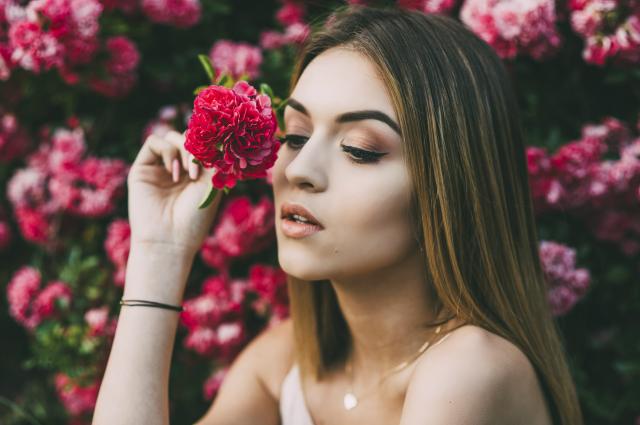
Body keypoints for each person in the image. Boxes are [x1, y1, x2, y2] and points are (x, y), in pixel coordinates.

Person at [92, 4, 584, 425]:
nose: (299, 169)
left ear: (449, 187)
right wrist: (159, 254)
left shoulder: (471, 369)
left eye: (360, 149)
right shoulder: (283, 365)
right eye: (295, 136)